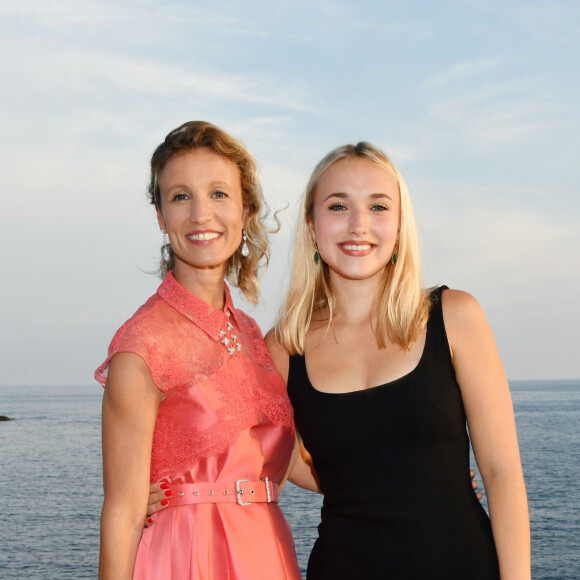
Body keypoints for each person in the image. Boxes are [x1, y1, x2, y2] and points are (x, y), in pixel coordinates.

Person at [264, 142, 530, 579]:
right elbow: (270, 460)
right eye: (338, 206)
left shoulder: (455, 316)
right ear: (312, 226)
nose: (358, 225)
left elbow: (502, 473)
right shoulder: (284, 346)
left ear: (400, 223)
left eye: (378, 206)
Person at [95, 121, 301, 579]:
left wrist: (428, 476)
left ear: (245, 210)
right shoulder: (143, 346)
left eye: (219, 194)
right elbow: (123, 515)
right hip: (187, 559)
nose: (201, 214)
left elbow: (305, 466)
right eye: (181, 196)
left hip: (266, 554)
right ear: (161, 215)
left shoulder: (252, 337)